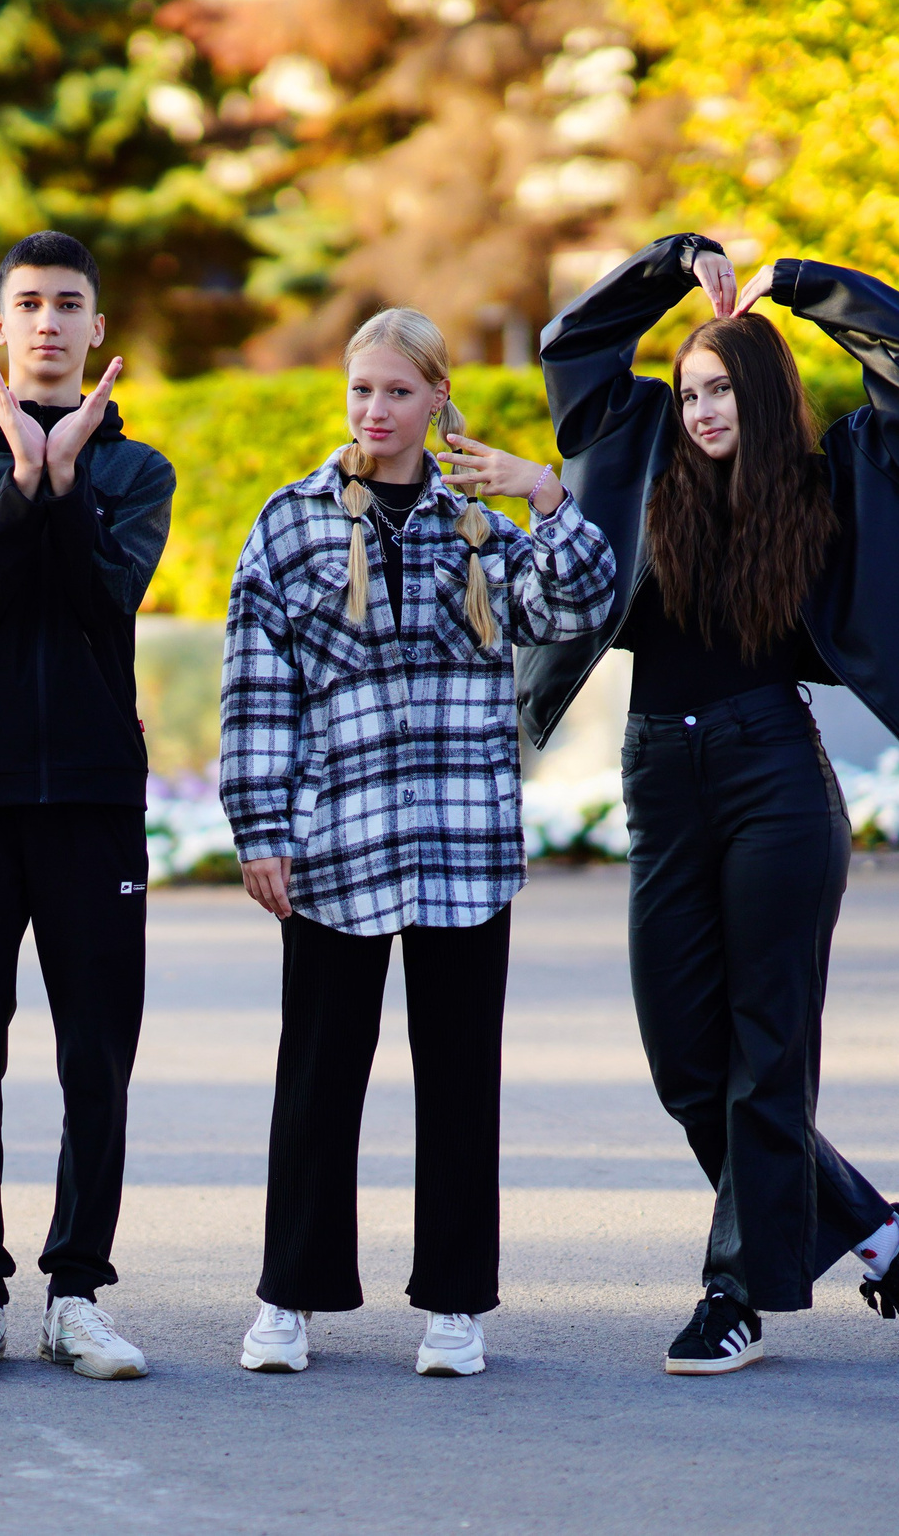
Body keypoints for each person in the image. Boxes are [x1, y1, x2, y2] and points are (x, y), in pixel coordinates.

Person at [523, 236, 899, 1375]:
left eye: (720, 389)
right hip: (659, 776)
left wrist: (802, 285)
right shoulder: (632, 454)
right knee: (687, 1063)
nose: (699, 409)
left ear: (761, 394)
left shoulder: (833, 479)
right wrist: (676, 262)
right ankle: (880, 1232)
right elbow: (572, 342)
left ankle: (735, 1296)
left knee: (763, 1059)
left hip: (775, 774)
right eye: (687, 390)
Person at [218, 308, 618, 1377]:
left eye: (398, 391)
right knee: (315, 1078)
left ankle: (455, 1305)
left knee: (457, 1080)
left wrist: (541, 490)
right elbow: (257, 691)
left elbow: (580, 604)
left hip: (461, 842)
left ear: (437, 397)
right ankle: (289, 1300)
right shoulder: (291, 522)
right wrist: (260, 830)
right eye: (361, 391)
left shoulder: (479, 523)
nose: (375, 411)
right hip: (336, 842)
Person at [0, 231, 175, 1381]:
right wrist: (20, 479)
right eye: (29, 305)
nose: (50, 323)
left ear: (98, 330)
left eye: (70, 305)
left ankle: (77, 1291)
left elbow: (104, 593)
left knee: (96, 1057)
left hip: (95, 796)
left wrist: (64, 478)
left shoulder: (140, 471)